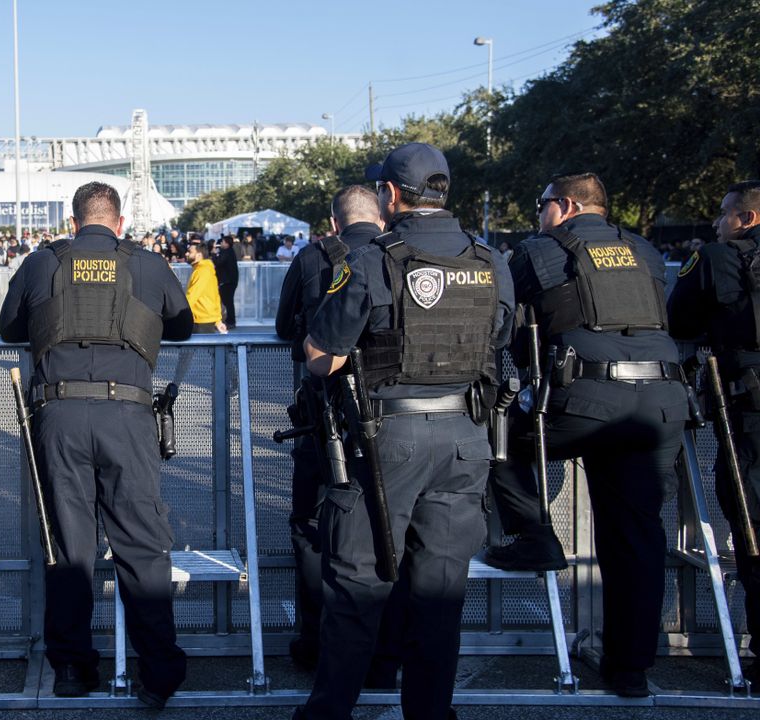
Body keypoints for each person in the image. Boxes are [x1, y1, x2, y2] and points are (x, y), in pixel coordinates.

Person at [298, 143, 513, 720]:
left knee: (356, 588)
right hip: (466, 437)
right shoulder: (490, 261)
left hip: (387, 438)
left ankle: (328, 714)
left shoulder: (372, 260)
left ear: (392, 196)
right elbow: (500, 343)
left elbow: (324, 354)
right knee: (439, 596)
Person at [487, 172, 686, 697]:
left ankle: (534, 538)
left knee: (495, 435)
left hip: (586, 400)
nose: (538, 214)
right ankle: (630, 671)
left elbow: (509, 328)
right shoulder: (641, 248)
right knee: (636, 534)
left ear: (566, 206)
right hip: (662, 403)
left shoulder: (540, 251)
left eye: (542, 204)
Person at [0, 181, 193, 708]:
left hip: (58, 412)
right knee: (141, 544)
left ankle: (72, 669)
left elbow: (9, 324)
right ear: (120, 222)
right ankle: (157, 673)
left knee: (69, 547)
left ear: (73, 220)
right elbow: (183, 326)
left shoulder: (45, 263)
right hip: (127, 416)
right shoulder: (145, 263)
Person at [274, 184, 382, 671]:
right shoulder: (398, 256)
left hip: (325, 416)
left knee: (314, 528)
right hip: (390, 417)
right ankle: (382, 653)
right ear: (381, 217)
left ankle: (316, 646)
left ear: (334, 223)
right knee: (387, 529)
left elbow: (283, 327)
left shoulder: (314, 257)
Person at [666, 179, 760, 686]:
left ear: (745, 220)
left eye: (724, 214)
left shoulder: (721, 257)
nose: (717, 223)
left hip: (749, 412)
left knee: (750, 522)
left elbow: (678, 318)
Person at [185, 238, 227, 334]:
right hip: (206, 319)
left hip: (201, 321)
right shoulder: (205, 269)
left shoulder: (202, 271)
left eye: (189, 252)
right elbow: (215, 297)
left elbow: (191, 297)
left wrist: (179, 315)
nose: (186, 254)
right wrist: (218, 321)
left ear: (199, 255)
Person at [214, 235, 239, 328]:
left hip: (228, 282)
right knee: (228, 302)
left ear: (227, 243)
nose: (221, 244)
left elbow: (219, 262)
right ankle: (229, 320)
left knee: (228, 302)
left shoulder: (227, 252)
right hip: (229, 281)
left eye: (223, 242)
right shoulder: (228, 252)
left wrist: (213, 254)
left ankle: (230, 321)